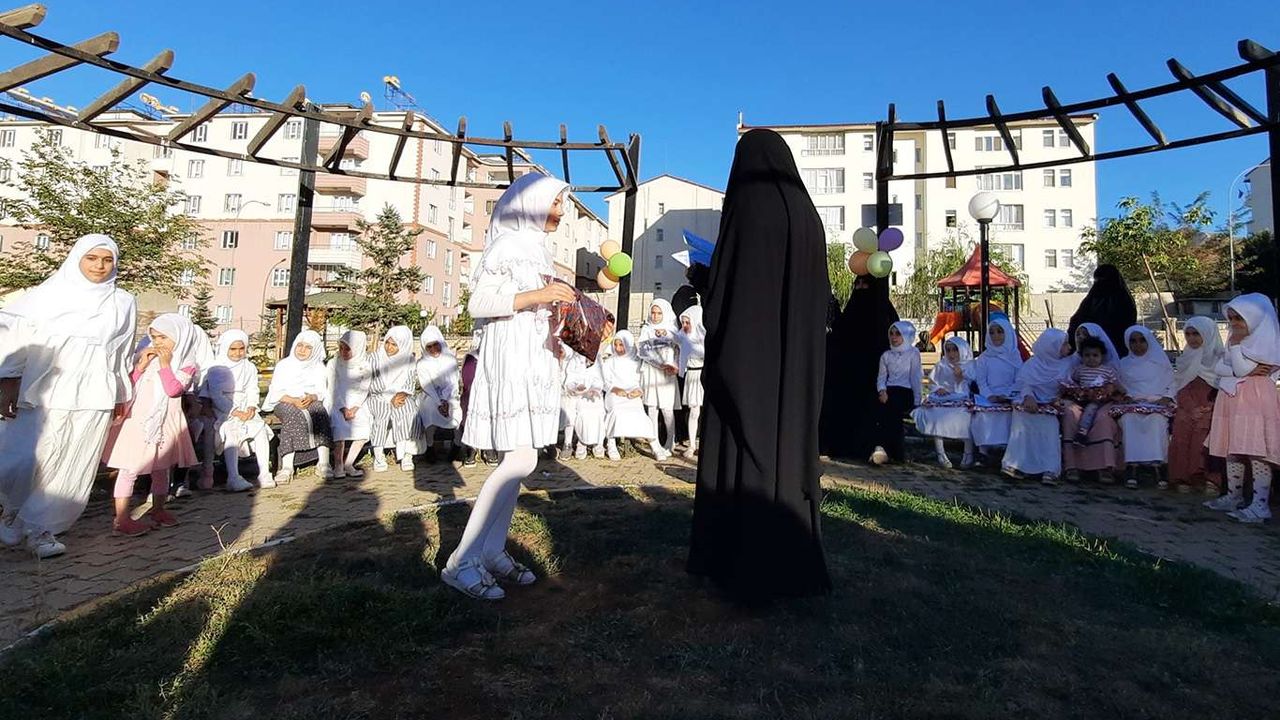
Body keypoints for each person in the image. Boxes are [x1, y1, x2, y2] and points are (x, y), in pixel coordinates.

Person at [687, 129, 831, 599]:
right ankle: (794, 563)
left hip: (750, 365)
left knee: (743, 448)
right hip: (796, 370)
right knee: (786, 446)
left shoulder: (748, 208)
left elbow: (732, 298)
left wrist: (702, 279)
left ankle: (741, 565)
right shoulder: (809, 217)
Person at [443, 172, 585, 601]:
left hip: (533, 360)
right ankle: (462, 560)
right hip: (510, 359)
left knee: (521, 459)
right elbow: (479, 303)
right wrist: (537, 297)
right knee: (520, 459)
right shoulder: (506, 245)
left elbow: (534, 305)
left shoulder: (538, 249)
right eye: (556, 203)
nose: (561, 212)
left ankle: (489, 551)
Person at [0, 235, 137, 558]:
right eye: (92, 258)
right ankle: (10, 512)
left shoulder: (123, 302)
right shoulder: (45, 296)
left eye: (107, 260)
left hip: (95, 390)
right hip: (47, 387)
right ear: (77, 258)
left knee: (73, 461)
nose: (100, 266)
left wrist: (120, 392)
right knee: (30, 455)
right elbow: (17, 340)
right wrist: (8, 382)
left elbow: (122, 350)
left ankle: (41, 529)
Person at [104, 313, 203, 536]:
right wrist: (140, 366)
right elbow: (129, 386)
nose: (158, 343)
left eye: (163, 338)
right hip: (137, 421)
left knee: (161, 467)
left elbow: (174, 390)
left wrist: (165, 366)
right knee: (129, 468)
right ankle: (121, 518)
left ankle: (158, 509)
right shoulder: (145, 358)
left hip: (164, 421)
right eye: (155, 337)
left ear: (179, 337)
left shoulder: (186, 364)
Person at [1204, 293, 1280, 523]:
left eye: (1239, 318)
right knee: (1233, 449)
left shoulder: (1266, 345)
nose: (1234, 323)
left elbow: (1238, 368)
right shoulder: (1233, 340)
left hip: (1255, 399)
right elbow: (1220, 368)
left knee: (1257, 451)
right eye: (1231, 318)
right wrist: (1243, 370)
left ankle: (1260, 504)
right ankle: (1234, 495)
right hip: (1232, 398)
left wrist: (1237, 353)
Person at [821, 276, 898, 461]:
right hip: (850, 375)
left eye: (865, 284)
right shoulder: (850, 312)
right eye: (858, 284)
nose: (860, 288)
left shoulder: (885, 315)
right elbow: (838, 335)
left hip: (875, 374)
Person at [203, 329, 274, 492]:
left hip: (245, 406)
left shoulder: (249, 367)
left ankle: (264, 473)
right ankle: (233, 476)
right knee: (231, 430)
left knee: (260, 429)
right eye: (233, 349)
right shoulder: (215, 368)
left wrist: (251, 407)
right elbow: (216, 394)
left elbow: (252, 389)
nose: (237, 353)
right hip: (223, 409)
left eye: (241, 349)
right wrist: (234, 412)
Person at [1002, 329, 1074, 484]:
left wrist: (1060, 397)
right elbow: (1024, 384)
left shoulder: (1069, 364)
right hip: (1032, 402)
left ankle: (1049, 469)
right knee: (1021, 418)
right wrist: (1029, 397)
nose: (1069, 347)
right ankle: (1016, 464)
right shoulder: (1033, 364)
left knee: (1048, 423)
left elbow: (1071, 385)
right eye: (1064, 344)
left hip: (1054, 405)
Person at [262, 330, 333, 482]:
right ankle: (287, 466)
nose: (302, 350)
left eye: (308, 347)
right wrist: (293, 400)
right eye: (300, 345)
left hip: (309, 400)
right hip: (285, 401)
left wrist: (312, 397)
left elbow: (321, 391)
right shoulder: (284, 365)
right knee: (293, 414)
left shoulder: (319, 367)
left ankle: (324, 462)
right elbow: (276, 391)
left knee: (319, 412)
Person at [1113, 326, 1176, 489]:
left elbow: (1172, 383)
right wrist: (1126, 397)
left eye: (1142, 340)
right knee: (1129, 420)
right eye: (1133, 341)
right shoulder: (1124, 364)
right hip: (1133, 404)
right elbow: (1121, 387)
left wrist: (1166, 397)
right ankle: (1132, 467)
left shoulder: (1160, 362)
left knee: (1156, 421)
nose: (1138, 345)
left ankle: (1158, 467)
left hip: (1158, 403)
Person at [1168, 317, 1225, 494]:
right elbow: (1181, 387)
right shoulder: (1185, 358)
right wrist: (1191, 408)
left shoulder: (1221, 359)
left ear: (1208, 334)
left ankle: (1210, 478)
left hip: (1214, 406)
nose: (1192, 338)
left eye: (1196, 334)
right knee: (1182, 426)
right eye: (1188, 334)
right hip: (1188, 406)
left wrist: (1208, 407)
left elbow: (1224, 387)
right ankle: (1182, 477)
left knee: (1205, 430)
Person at [1060, 331, 1123, 483]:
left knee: (1102, 418)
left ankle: (1105, 467)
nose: (1091, 358)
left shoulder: (1108, 370)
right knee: (1071, 414)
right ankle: (1072, 466)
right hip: (1081, 400)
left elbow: (1116, 386)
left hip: (1103, 401)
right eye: (1087, 355)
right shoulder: (1077, 367)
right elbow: (1071, 381)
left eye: (1095, 355)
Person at [912, 336, 974, 468]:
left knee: (967, 416)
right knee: (935, 414)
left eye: (955, 350)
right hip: (942, 399)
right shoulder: (941, 365)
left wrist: (961, 376)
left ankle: (968, 453)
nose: (951, 354)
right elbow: (933, 383)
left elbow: (973, 384)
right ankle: (941, 453)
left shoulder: (970, 366)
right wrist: (938, 389)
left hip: (962, 398)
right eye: (948, 350)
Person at [969, 318, 1023, 467]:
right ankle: (983, 452)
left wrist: (1007, 395)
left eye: (1000, 332)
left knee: (1012, 414)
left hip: (1009, 395)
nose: (996, 336)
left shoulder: (1015, 355)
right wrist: (990, 395)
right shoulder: (984, 358)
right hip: (989, 396)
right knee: (982, 415)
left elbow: (1019, 380)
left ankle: (1008, 452)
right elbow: (981, 381)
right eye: (992, 332)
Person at [601, 331, 662, 460]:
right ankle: (611, 444)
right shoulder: (609, 362)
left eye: (621, 345)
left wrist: (638, 390)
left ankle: (655, 446)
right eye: (616, 345)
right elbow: (605, 382)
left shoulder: (637, 362)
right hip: (614, 394)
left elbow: (640, 381)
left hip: (632, 395)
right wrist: (614, 389)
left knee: (640, 414)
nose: (618, 348)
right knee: (616, 412)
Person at [368, 325, 419, 472]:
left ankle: (406, 455)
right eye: (387, 343)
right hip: (378, 396)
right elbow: (372, 384)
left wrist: (402, 394)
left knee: (409, 411)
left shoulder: (409, 360)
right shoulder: (374, 359)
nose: (389, 347)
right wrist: (390, 397)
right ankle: (379, 455)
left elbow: (410, 382)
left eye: (394, 345)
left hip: (400, 396)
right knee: (382, 414)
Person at [872, 321, 922, 465]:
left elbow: (915, 377)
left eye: (898, 334)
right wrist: (882, 391)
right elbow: (881, 378)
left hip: (905, 391)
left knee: (892, 407)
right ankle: (886, 450)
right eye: (892, 334)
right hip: (889, 390)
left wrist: (917, 400)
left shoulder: (913, 353)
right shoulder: (886, 355)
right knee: (880, 407)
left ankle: (887, 449)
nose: (894, 337)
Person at [638, 299, 682, 460]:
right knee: (652, 408)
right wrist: (658, 363)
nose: (655, 316)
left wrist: (673, 365)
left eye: (659, 313)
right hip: (652, 372)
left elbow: (680, 347)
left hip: (667, 374)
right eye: (653, 313)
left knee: (667, 408)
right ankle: (654, 443)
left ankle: (670, 441)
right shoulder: (646, 329)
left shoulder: (672, 330)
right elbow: (642, 350)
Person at [1067, 263, 1137, 359]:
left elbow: (1127, 325)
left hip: (1118, 350)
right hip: (1091, 352)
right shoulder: (1092, 299)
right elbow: (1077, 321)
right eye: (1097, 280)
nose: (1101, 283)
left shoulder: (1123, 301)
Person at [328, 330, 372, 478]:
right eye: (341, 348)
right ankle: (338, 466)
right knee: (339, 429)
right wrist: (343, 408)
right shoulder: (334, 364)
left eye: (347, 349)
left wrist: (355, 408)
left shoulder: (365, 365)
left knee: (364, 429)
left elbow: (364, 388)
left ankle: (349, 464)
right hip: (337, 401)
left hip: (357, 404)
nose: (343, 352)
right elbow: (332, 387)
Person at [416, 325, 461, 462]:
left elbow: (453, 382)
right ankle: (429, 447)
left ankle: (457, 444)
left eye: (436, 345)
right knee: (430, 410)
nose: (433, 349)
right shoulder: (422, 364)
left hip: (451, 394)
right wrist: (439, 402)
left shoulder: (450, 360)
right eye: (429, 347)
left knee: (456, 411)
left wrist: (446, 400)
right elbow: (427, 385)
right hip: (431, 396)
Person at [677, 305, 706, 460]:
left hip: (703, 373)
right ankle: (692, 444)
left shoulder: (703, 338)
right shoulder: (683, 336)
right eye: (683, 323)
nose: (685, 326)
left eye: (687, 322)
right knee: (694, 411)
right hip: (692, 375)